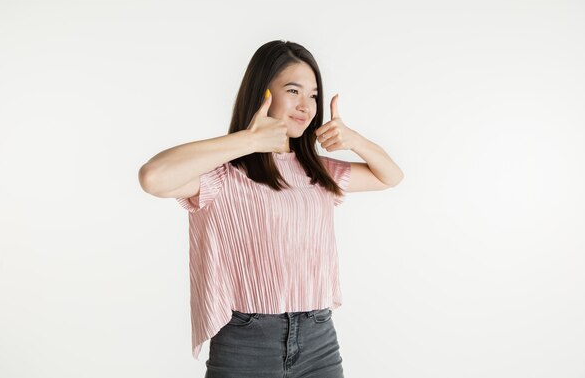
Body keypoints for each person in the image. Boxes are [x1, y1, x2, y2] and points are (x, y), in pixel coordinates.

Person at [138, 40, 404, 377]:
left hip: (318, 338)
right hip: (246, 342)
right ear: (262, 93)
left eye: (313, 95)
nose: (305, 105)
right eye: (293, 90)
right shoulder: (224, 174)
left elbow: (390, 176)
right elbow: (153, 177)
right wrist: (250, 140)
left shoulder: (318, 173)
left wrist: (355, 141)